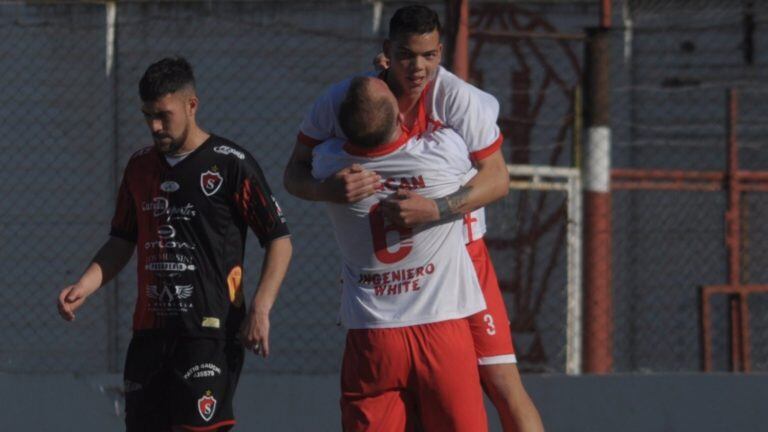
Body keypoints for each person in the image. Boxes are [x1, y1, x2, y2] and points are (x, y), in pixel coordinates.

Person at [284, 5, 543, 432]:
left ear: (440, 51)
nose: (419, 67)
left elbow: (497, 180)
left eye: (429, 55)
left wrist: (436, 209)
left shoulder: (455, 97)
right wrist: (325, 191)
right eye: (407, 55)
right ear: (386, 52)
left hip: (464, 256)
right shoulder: (343, 101)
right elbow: (293, 173)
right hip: (396, 294)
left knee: (501, 382)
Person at [56, 57, 292, 432]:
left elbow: (278, 239)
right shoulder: (139, 167)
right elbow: (121, 239)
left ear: (191, 105)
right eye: (147, 115)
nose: (154, 126)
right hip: (149, 336)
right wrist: (85, 285)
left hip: (208, 334)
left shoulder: (230, 164)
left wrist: (260, 309)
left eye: (163, 115)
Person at [314, 76, 488, 431]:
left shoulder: (330, 164)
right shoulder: (442, 155)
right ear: (398, 119)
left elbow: (300, 166)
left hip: (373, 334)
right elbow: (482, 125)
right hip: (441, 324)